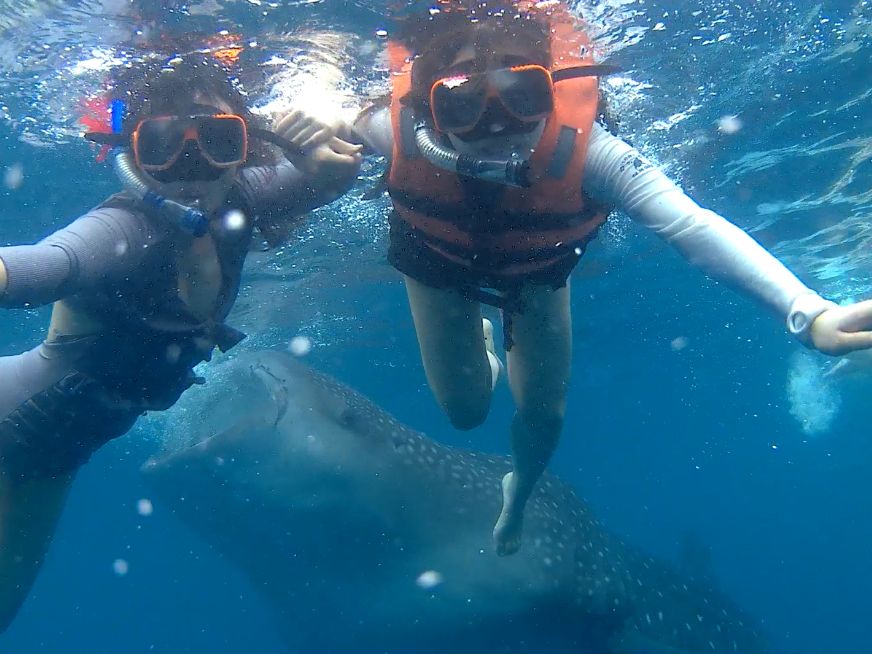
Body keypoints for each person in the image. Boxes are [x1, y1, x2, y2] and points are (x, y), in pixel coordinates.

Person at [343, 1, 872, 556]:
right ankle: (480, 342)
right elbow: (322, 119)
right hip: (436, 259)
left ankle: (519, 493)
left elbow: (691, 224)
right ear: (429, 108)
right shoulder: (397, 133)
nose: (496, 124)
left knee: (545, 413)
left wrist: (808, 312)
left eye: (522, 96)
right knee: (466, 413)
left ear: (551, 91)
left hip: (538, 266)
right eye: (463, 102)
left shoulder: (590, 151)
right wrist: (310, 123)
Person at [0, 53, 361, 630]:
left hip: (58, 445)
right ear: (133, 155)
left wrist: (326, 144)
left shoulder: (245, 196)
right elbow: (47, 264)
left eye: (217, 140)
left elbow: (346, 162)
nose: (191, 166)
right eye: (164, 144)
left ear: (246, 144)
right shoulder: (126, 227)